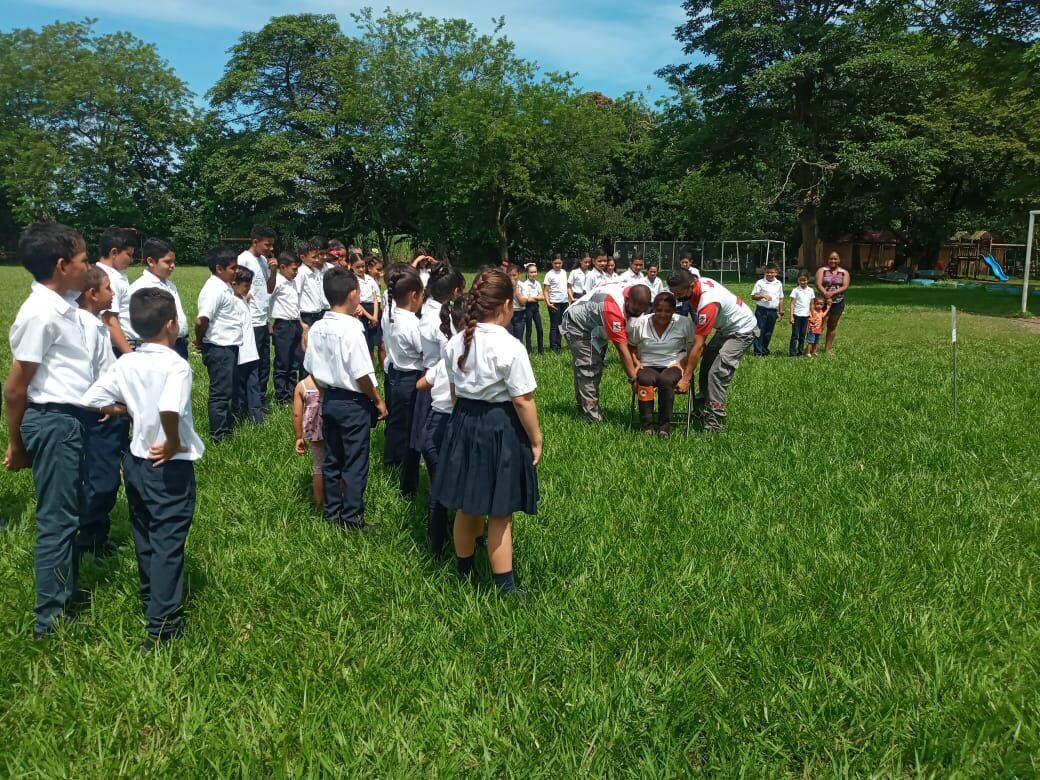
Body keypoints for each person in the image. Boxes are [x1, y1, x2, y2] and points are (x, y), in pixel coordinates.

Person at [80, 288, 204, 651]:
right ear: (171, 324)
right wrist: (169, 441)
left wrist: (124, 410)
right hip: (168, 463)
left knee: (145, 532)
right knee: (169, 539)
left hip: (134, 460)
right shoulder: (176, 365)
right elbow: (170, 408)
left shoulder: (127, 361)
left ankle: (151, 596)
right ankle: (163, 625)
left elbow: (91, 399)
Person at [4, 222, 92, 638]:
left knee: (69, 514)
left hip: (70, 421)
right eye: (83, 260)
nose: (88, 267)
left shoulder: (64, 305)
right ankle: (50, 621)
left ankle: (67, 596)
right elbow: (16, 387)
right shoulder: (40, 315)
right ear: (61, 265)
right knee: (57, 520)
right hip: (53, 421)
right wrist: (16, 442)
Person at [433, 268, 542, 597]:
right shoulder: (510, 346)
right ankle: (505, 587)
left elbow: (453, 393)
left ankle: (463, 572)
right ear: (508, 305)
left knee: (467, 505)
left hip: (463, 420)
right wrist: (536, 440)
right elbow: (523, 401)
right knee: (500, 512)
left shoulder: (455, 342)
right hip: (499, 426)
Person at [303, 268, 388, 530]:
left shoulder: (317, 327)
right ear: (353, 294)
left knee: (333, 460)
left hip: (329, 399)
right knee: (355, 462)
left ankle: (332, 514)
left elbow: (311, 366)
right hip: (353, 403)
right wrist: (377, 400)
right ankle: (352, 518)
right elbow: (362, 373)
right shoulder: (352, 328)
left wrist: (328, 390)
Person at [667, 269, 757, 433]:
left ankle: (714, 425)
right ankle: (701, 411)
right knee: (706, 367)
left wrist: (686, 378)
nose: (676, 297)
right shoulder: (697, 284)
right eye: (673, 293)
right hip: (725, 328)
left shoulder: (708, 302)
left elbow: (699, 344)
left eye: (679, 293)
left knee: (717, 373)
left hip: (741, 332)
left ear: (692, 285)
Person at [416, 295, 469, 558]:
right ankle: (442, 544)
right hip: (449, 423)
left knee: (440, 485)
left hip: (433, 424)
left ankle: (443, 540)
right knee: (449, 488)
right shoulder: (463, 352)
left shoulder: (446, 353)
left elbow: (421, 384)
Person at [76, 267, 122, 561]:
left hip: (107, 408)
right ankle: (89, 540)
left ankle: (96, 534)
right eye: (108, 288)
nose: (113, 292)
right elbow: (85, 375)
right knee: (101, 478)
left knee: (106, 476)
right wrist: (102, 404)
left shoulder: (97, 322)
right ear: (92, 294)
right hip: (97, 413)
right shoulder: (86, 326)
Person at [560, 282, 652, 423]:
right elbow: (622, 349)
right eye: (634, 309)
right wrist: (634, 379)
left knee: (588, 366)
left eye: (641, 311)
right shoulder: (613, 308)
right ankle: (592, 418)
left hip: (596, 326)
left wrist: (636, 362)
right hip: (578, 326)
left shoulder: (637, 293)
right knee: (589, 368)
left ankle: (582, 406)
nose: (637, 313)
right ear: (628, 299)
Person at [413, 262, 465, 463]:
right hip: (441, 376)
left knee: (425, 435)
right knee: (438, 437)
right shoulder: (443, 318)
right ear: (455, 292)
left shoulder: (427, 307)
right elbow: (450, 353)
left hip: (429, 371)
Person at [627, 292, 694, 437]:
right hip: (647, 364)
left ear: (674, 310)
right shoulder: (642, 322)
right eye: (659, 310)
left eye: (668, 311)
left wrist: (682, 364)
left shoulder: (684, 323)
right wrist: (636, 364)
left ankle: (664, 426)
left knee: (666, 381)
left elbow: (695, 349)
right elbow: (630, 346)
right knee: (644, 380)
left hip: (673, 364)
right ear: (652, 309)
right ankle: (647, 425)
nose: (663, 314)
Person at [383, 269, 426, 497]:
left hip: (396, 374)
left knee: (396, 423)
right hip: (411, 377)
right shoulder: (411, 323)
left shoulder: (388, 314)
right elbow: (423, 351)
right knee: (409, 426)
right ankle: (400, 465)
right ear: (413, 295)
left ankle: (391, 461)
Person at [195, 247, 242, 441]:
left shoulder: (225, 286)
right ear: (219, 268)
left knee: (228, 389)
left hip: (228, 346)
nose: (236, 271)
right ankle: (219, 434)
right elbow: (201, 320)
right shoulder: (213, 289)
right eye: (232, 268)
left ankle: (226, 427)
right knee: (220, 393)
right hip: (219, 347)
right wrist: (200, 340)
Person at [126, 238, 189, 359]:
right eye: (167, 262)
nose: (172, 266)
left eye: (173, 262)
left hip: (178, 344)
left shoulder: (170, 284)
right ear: (151, 261)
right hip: (157, 349)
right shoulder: (140, 288)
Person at [236, 226, 278, 403]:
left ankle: (259, 400)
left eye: (272, 245)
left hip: (262, 318)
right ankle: (247, 400)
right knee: (250, 363)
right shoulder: (243, 259)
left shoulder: (263, 261)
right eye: (267, 245)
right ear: (255, 241)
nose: (270, 249)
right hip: (249, 320)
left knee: (264, 363)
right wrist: (243, 295)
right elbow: (234, 286)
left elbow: (269, 288)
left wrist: (274, 271)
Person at [96, 227, 137, 355]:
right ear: (114, 252)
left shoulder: (115, 275)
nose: (131, 260)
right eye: (128, 254)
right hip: (118, 348)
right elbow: (110, 320)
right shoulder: (109, 278)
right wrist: (129, 354)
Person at [269, 251, 303, 404]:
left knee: (294, 360)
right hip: (283, 324)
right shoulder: (277, 282)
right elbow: (266, 298)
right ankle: (282, 396)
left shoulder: (293, 282)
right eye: (294, 269)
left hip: (295, 323)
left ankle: (291, 391)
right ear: (282, 267)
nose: (296, 272)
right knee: (283, 360)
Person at [232, 267, 263, 424]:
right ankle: (240, 416)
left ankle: (256, 418)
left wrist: (246, 294)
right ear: (234, 284)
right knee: (241, 388)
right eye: (246, 286)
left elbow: (247, 296)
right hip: (241, 352)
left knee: (253, 385)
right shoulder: (232, 303)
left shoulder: (242, 298)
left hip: (251, 352)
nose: (248, 289)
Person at [292, 374, 325, 509]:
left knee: (319, 467)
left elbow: (296, 414)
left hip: (314, 430)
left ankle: (319, 505)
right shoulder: (331, 382)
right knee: (338, 463)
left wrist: (299, 437)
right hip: (332, 426)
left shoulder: (302, 386)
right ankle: (340, 498)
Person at [815, 251, 850, 353]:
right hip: (822, 303)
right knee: (819, 324)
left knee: (832, 325)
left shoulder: (844, 272)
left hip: (838, 302)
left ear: (839, 260)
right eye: (831, 258)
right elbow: (818, 284)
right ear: (828, 260)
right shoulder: (822, 270)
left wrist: (832, 293)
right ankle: (814, 348)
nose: (833, 261)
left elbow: (845, 286)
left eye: (835, 259)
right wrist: (826, 295)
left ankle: (828, 349)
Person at [750, 262, 784, 356]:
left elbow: (781, 298)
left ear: (776, 273)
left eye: (772, 272)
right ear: (764, 272)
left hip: (773, 311)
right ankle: (758, 351)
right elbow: (753, 296)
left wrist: (780, 312)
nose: (769, 274)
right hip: (762, 310)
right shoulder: (760, 282)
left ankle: (764, 350)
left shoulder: (778, 283)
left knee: (768, 332)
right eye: (767, 272)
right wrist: (762, 296)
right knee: (759, 330)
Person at [296, 240, 328, 330]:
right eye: (314, 257)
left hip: (319, 315)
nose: (317, 259)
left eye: (317, 256)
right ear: (302, 257)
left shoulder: (315, 271)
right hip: (307, 317)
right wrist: (300, 321)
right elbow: (296, 297)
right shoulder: (301, 273)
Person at [543, 254, 570, 352]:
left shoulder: (564, 272)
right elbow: (545, 290)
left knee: (562, 325)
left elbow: (566, 287)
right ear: (552, 263)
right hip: (554, 303)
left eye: (559, 263)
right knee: (554, 325)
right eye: (556, 263)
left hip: (564, 302)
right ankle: (553, 347)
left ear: (562, 263)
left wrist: (569, 299)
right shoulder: (549, 274)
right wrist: (548, 303)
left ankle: (559, 345)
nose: (558, 265)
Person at [518, 263, 544, 354]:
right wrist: (537, 297)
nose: (534, 274)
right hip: (528, 309)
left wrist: (534, 297)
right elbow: (527, 299)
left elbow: (542, 297)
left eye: (535, 272)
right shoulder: (525, 284)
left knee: (540, 329)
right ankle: (529, 350)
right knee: (529, 329)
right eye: (531, 272)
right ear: (527, 273)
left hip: (535, 308)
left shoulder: (537, 283)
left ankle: (541, 350)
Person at [788, 274, 815, 356]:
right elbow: (792, 303)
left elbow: (812, 304)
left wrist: (812, 316)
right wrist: (791, 316)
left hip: (806, 316)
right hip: (797, 315)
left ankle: (800, 351)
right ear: (798, 281)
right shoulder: (795, 290)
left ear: (808, 280)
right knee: (795, 335)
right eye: (801, 280)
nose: (803, 282)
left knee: (803, 335)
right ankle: (792, 352)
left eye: (804, 280)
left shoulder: (810, 290)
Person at [508, 265, 526, 340]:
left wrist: (515, 289)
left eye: (514, 275)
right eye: (509, 275)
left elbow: (523, 303)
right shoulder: (505, 286)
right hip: (508, 313)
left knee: (518, 337)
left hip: (520, 314)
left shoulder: (523, 286)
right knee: (509, 337)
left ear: (518, 274)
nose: (512, 277)